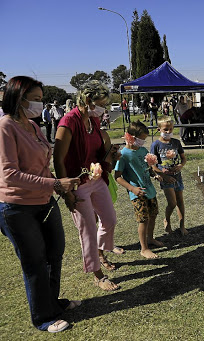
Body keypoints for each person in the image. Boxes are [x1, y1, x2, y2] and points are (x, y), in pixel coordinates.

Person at [0, 76, 81, 333]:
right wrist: (56, 185)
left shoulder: (33, 126)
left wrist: (57, 181)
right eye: (35, 99)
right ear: (17, 98)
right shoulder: (5, 127)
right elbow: (9, 175)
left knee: (54, 252)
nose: (39, 104)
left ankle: (52, 302)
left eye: (40, 99)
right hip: (17, 207)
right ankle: (43, 317)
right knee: (34, 261)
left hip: (44, 200)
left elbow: (42, 162)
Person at [53, 80, 120, 291]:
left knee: (109, 219)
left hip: (97, 178)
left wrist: (111, 155)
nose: (103, 109)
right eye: (101, 103)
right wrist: (66, 193)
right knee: (88, 229)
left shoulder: (94, 121)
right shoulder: (69, 122)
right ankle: (97, 274)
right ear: (88, 100)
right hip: (77, 183)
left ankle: (100, 253)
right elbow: (58, 159)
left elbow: (99, 149)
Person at [115, 120, 164, 259]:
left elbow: (147, 168)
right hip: (137, 194)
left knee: (153, 215)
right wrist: (132, 189)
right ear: (130, 137)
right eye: (141, 139)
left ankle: (150, 238)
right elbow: (117, 177)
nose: (143, 142)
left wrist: (154, 175)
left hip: (150, 191)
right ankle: (144, 248)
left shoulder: (143, 151)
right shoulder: (123, 155)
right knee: (143, 220)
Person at [150, 118, 188, 236]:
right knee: (172, 203)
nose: (168, 131)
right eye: (165, 129)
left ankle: (182, 225)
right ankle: (167, 220)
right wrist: (162, 174)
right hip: (165, 178)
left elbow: (183, 158)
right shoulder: (156, 145)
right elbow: (152, 165)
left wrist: (181, 165)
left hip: (177, 176)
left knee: (180, 201)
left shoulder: (176, 142)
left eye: (170, 129)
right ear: (159, 129)